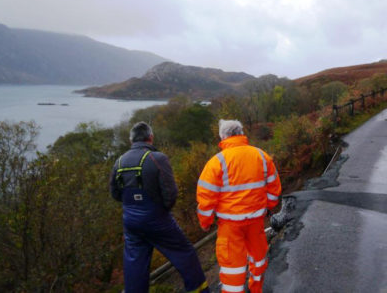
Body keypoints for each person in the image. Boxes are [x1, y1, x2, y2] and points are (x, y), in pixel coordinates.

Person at [110, 122, 209, 293]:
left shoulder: (118, 162)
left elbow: (115, 193)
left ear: (130, 140)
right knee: (185, 253)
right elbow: (171, 193)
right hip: (156, 219)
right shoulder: (157, 158)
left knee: (135, 266)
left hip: (131, 222)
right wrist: (161, 211)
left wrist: (133, 207)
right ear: (150, 137)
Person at [197, 119, 282, 293]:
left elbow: (206, 197)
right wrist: (268, 207)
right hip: (256, 221)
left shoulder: (216, 162)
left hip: (230, 226)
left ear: (223, 136)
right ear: (241, 133)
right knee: (258, 260)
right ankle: (256, 289)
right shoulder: (261, 156)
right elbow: (274, 188)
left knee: (232, 269)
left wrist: (205, 222)